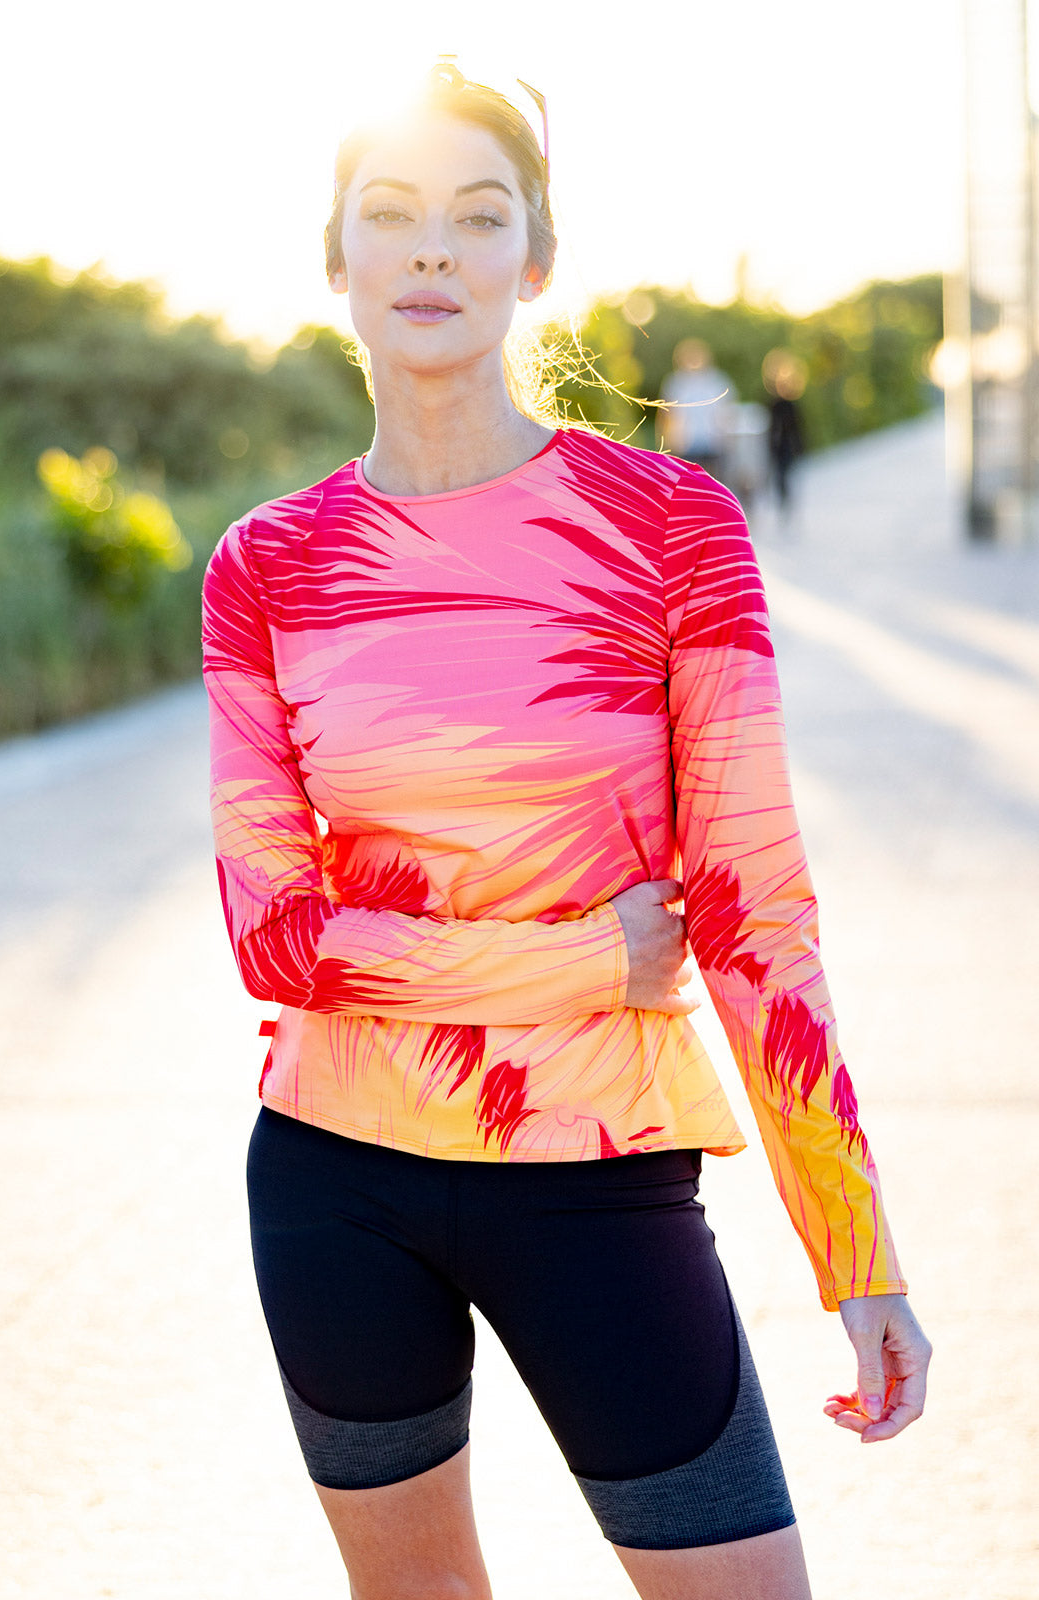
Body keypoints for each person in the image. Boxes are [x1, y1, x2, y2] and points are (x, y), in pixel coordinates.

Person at [201, 63, 931, 1600]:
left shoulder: (673, 531)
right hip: (337, 1170)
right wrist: (585, 957)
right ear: (335, 259)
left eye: (479, 218)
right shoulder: (267, 564)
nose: (431, 252)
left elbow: (754, 912)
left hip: (599, 1167)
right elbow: (272, 939)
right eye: (388, 217)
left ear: (536, 259)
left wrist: (851, 1249)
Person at [659, 337, 734, 481]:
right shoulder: (675, 383)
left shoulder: (717, 381)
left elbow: (727, 412)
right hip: (686, 443)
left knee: (714, 483)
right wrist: (668, 441)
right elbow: (667, 415)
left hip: (713, 441)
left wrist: (727, 438)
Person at [763, 348, 808, 528]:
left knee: (786, 476)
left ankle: (787, 505)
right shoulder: (771, 402)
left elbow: (798, 427)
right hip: (776, 447)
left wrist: (800, 446)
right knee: (779, 477)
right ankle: (783, 504)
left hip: (788, 446)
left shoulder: (791, 404)